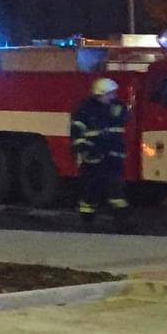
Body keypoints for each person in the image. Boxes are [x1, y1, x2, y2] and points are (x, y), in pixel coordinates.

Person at [70, 77, 130, 229]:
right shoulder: (85, 110)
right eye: (110, 94)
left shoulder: (117, 107)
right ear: (100, 94)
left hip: (113, 156)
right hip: (93, 157)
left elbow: (122, 125)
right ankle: (87, 220)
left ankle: (122, 221)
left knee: (116, 188)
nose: (113, 96)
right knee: (91, 190)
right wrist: (85, 150)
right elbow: (77, 133)